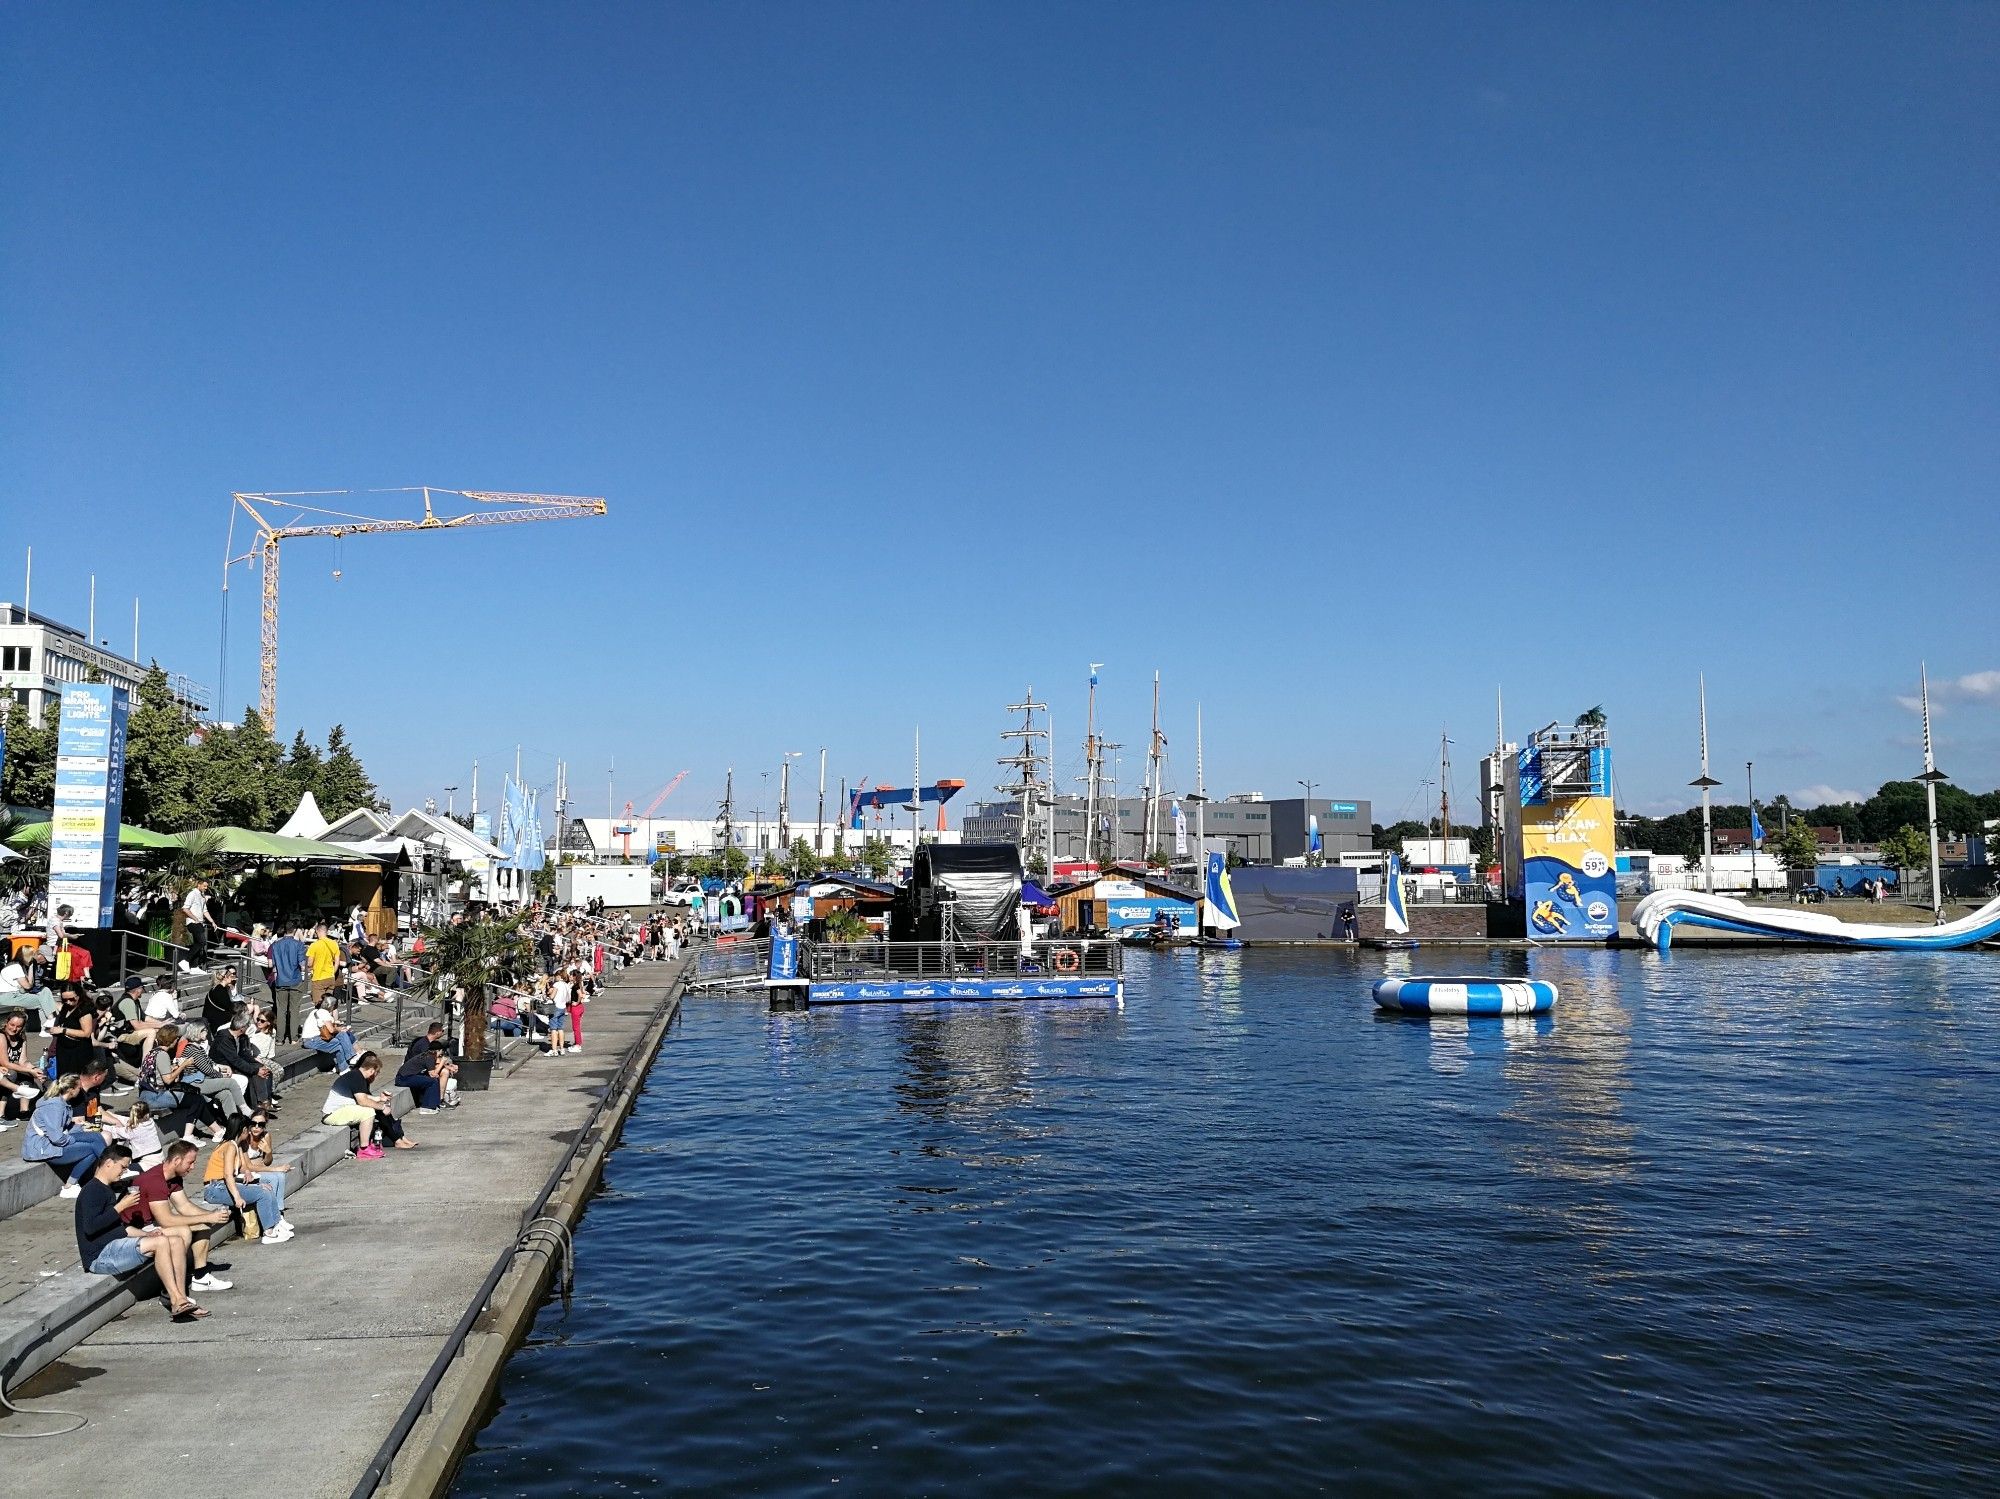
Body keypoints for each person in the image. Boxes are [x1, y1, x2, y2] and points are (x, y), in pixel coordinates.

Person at [74, 1144, 205, 1321]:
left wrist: (147, 1235)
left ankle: (182, 1298)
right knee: (161, 1243)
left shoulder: (106, 1189)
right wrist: (121, 1206)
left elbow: (120, 1227)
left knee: (174, 1240)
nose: (124, 1172)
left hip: (115, 1247)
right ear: (109, 1163)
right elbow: (90, 1227)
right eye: (123, 1167)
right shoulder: (92, 1191)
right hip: (99, 1256)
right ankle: (176, 1300)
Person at [127, 1139, 232, 1291]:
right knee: (183, 1231)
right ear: (176, 1160)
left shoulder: (173, 1177)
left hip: (151, 1225)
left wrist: (214, 1215)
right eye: (190, 1162)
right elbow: (166, 1220)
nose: (193, 1167)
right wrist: (208, 1217)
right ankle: (174, 1288)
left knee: (202, 1225)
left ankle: (201, 1277)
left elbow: (184, 1206)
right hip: (135, 1230)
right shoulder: (155, 1181)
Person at [201, 1117, 294, 1242]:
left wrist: (256, 1183)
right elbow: (228, 1175)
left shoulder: (235, 1145)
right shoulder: (230, 1146)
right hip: (215, 1189)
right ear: (244, 1129)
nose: (250, 1131)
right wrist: (237, 1197)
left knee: (266, 1188)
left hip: (221, 1185)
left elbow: (237, 1173)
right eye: (248, 1128)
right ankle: (269, 1233)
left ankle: (277, 1224)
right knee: (262, 1194)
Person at [21, 1073, 110, 1197]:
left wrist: (80, 1128)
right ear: (71, 1090)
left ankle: (111, 1166)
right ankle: (111, 1167)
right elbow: (57, 1138)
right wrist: (76, 1139)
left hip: (51, 1144)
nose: (81, 1090)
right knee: (91, 1148)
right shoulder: (55, 1106)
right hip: (42, 1149)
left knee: (95, 1136)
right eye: (79, 1087)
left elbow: (61, 1130)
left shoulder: (61, 1103)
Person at [323, 1051, 412, 1158]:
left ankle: (397, 1137)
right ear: (371, 1070)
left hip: (341, 1111)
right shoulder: (356, 1077)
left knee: (374, 1108)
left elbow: (364, 1097)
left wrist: (380, 1099)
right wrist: (382, 1106)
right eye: (376, 1072)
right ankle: (364, 1149)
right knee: (369, 1112)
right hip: (333, 1114)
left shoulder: (356, 1075)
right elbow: (363, 1101)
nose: (376, 1075)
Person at [210, 1004, 276, 1112]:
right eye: (247, 1026)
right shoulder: (224, 1039)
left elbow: (244, 1055)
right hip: (225, 1068)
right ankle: (257, 1105)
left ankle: (265, 1101)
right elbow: (235, 1060)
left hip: (234, 1064)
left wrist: (259, 1066)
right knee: (252, 1074)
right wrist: (255, 1070)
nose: (248, 1028)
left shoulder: (241, 1037)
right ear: (242, 1028)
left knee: (265, 1070)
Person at [396, 1021, 459, 1113]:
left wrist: (448, 1066)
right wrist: (445, 1065)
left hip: (415, 1072)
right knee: (436, 1077)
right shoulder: (424, 1045)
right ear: (437, 1032)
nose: (443, 1033)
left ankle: (439, 1100)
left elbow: (435, 1061)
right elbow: (433, 1069)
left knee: (442, 1073)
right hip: (409, 1075)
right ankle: (431, 1105)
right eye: (442, 1031)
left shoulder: (430, 1048)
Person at [1, 1008, 45, 1125]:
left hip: (10, 1068)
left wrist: (35, 1070)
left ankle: (23, 1111)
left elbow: (23, 1061)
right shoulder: (1, 1036)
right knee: (13, 1073)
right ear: (7, 1022)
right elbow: (5, 1062)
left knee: (28, 1073)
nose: (14, 1029)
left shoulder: (22, 1037)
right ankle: (1, 1114)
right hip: (4, 1070)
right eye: (12, 1025)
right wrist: (28, 1069)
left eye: (18, 1026)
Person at [269, 925, 307, 1043]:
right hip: (295, 980)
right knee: (294, 1010)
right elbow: (302, 965)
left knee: (281, 1011)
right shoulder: (299, 945)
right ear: (294, 931)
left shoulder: (275, 945)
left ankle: (280, 1039)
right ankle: (294, 1038)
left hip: (280, 981)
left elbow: (272, 965)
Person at [301, 995, 358, 1072]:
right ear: (332, 1006)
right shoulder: (324, 1013)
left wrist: (340, 1029)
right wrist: (340, 1029)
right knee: (338, 1043)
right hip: (312, 1040)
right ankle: (348, 1061)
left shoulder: (315, 1011)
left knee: (341, 1036)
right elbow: (331, 1030)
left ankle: (346, 1064)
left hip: (311, 1039)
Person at [305, 923, 343, 1009]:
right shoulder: (334, 944)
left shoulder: (314, 945)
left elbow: (309, 963)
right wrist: (333, 972)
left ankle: (321, 1021)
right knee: (328, 1004)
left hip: (318, 977)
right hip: (330, 977)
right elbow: (337, 961)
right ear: (326, 931)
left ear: (317, 931)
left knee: (319, 1004)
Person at [181, 880, 213, 971]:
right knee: (202, 942)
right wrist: (195, 919)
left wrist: (212, 922)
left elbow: (205, 911)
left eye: (207, 886)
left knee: (198, 943)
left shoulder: (202, 896)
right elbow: (185, 908)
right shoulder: (192, 894)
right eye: (204, 886)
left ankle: (194, 966)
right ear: (198, 885)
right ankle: (186, 960)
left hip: (199, 922)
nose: (206, 888)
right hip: (193, 922)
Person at [201, 965, 239, 1035]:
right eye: (231, 976)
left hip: (217, 1019)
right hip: (216, 1023)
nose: (233, 978)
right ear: (225, 977)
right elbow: (229, 1006)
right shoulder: (219, 990)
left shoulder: (220, 988)